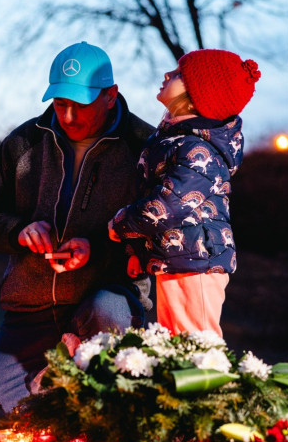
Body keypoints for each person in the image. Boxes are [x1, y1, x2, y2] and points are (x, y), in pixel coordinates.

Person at [0, 41, 155, 422]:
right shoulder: (25, 141)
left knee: (105, 309)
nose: (67, 116)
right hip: (31, 309)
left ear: (110, 95)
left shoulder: (142, 147)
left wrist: (97, 249)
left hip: (108, 303)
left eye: (79, 105)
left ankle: (104, 415)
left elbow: (158, 233)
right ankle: (53, 396)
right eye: (59, 103)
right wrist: (18, 230)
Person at [108, 48, 261, 337]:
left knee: (196, 340)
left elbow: (167, 205)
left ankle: (211, 370)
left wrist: (122, 222)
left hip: (197, 263)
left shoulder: (197, 149)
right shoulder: (173, 139)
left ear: (198, 95)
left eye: (179, 74)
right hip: (178, 258)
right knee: (178, 340)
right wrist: (138, 252)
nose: (168, 74)